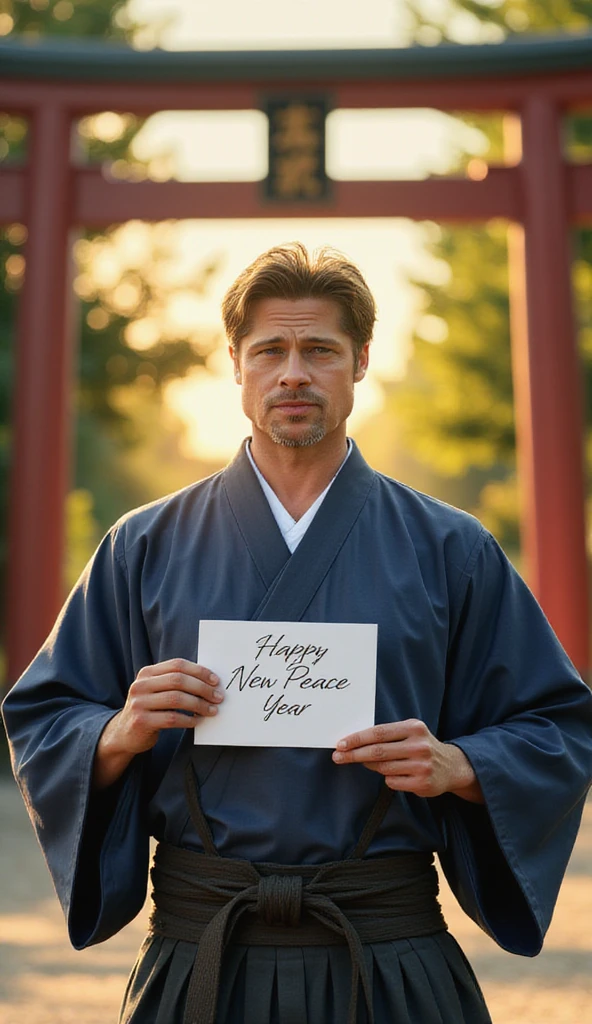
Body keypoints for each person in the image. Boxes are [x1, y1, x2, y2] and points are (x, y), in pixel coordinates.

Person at [3, 242, 592, 1024]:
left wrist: (461, 764)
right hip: (203, 951)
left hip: (390, 952)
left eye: (320, 350)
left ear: (360, 362)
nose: (293, 373)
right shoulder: (142, 545)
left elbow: (557, 725)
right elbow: (45, 715)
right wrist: (117, 732)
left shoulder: (452, 548)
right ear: (236, 366)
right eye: (269, 350)